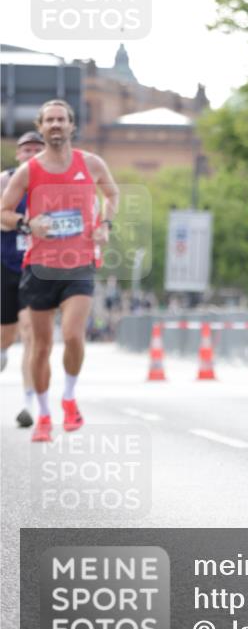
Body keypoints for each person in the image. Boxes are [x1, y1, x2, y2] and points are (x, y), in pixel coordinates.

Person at [0, 99, 119, 443]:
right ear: (41, 126)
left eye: (61, 120)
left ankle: (68, 397)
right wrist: (27, 223)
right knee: (40, 346)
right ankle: (43, 414)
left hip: (79, 263)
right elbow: (4, 211)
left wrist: (105, 224)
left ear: (71, 126)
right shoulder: (29, 171)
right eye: (49, 120)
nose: (55, 125)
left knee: (71, 335)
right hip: (39, 266)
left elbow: (111, 194)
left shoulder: (91, 163)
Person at [0, 130, 46, 427]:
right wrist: (25, 223)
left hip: (37, 266)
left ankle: (29, 403)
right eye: (26, 150)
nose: (31, 155)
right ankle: (3, 351)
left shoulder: (55, 184)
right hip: (6, 264)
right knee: (7, 335)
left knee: (31, 332)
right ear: (19, 155)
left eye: (36, 150)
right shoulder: (6, 180)